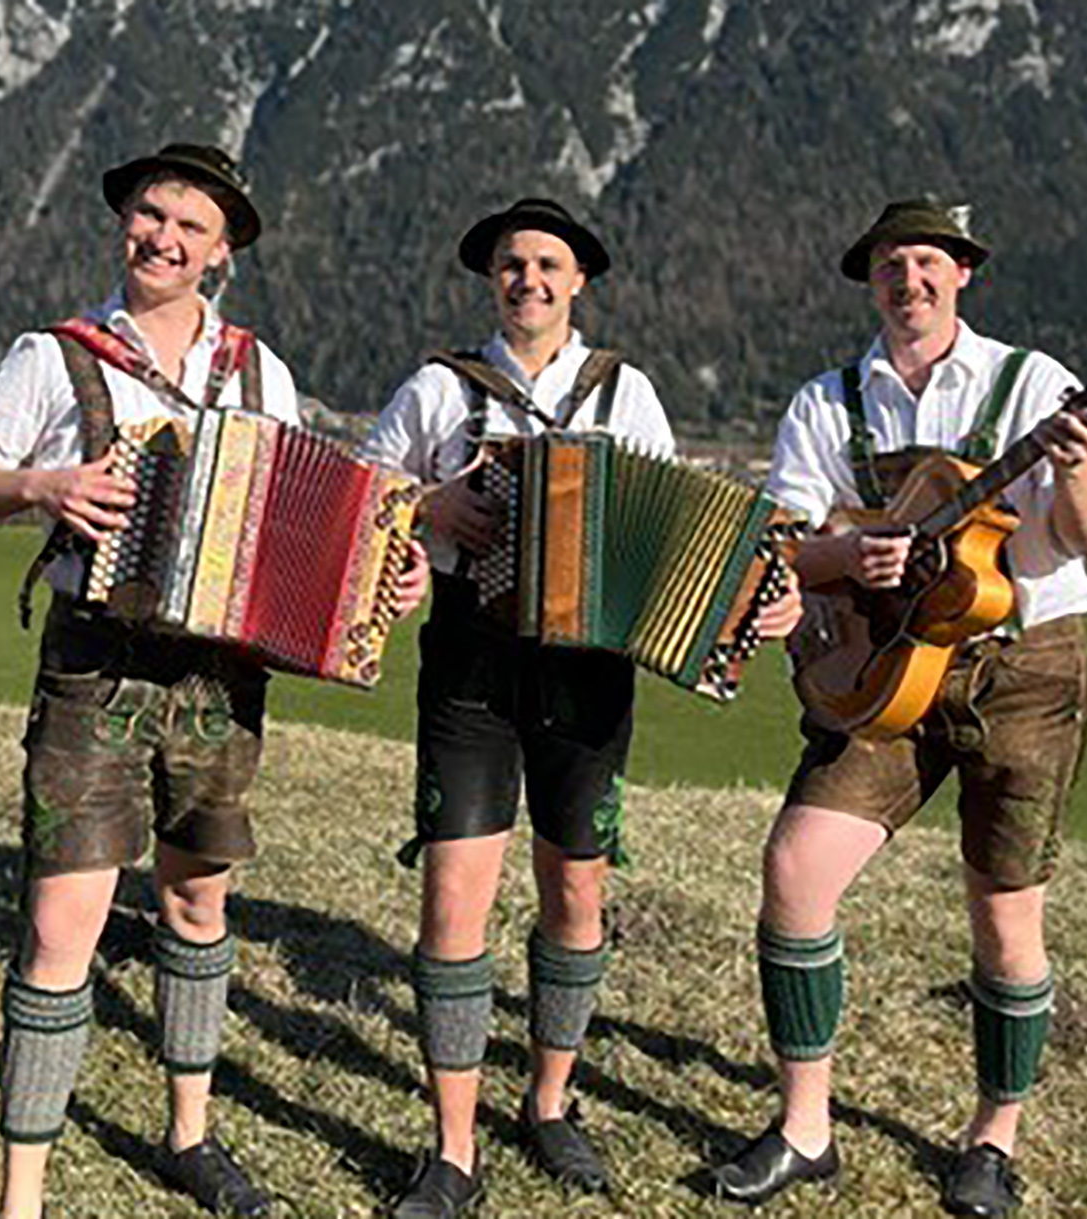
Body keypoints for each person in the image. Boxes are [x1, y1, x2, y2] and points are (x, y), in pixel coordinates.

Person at [0, 143, 427, 1219]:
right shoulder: (54, 354)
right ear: (125, 225)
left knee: (197, 898)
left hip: (218, 677)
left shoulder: (264, 373)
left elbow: (311, 532)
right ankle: (22, 1195)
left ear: (223, 253)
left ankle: (189, 1134)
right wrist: (39, 483)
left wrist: (375, 583)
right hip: (94, 659)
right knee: (63, 920)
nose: (161, 238)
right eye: (149, 216)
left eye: (188, 227)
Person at [363, 198, 800, 1217]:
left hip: (589, 679)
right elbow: (363, 491)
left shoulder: (625, 391)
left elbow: (676, 524)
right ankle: (453, 1145)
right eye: (512, 264)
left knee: (575, 896)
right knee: (452, 901)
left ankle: (549, 1103)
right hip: (470, 672)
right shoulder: (439, 387)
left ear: (577, 282)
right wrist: (426, 506)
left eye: (547, 264)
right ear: (491, 280)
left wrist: (756, 595)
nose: (529, 279)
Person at [710, 198, 1087, 1217]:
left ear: (963, 274)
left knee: (1001, 911)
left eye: (930, 262)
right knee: (796, 865)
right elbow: (786, 547)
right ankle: (806, 1127)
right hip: (885, 668)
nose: (912, 280)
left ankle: (992, 1137)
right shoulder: (826, 401)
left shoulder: (1032, 385)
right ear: (871, 278)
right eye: (894, 264)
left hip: (1021, 665)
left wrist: (1070, 465)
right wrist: (849, 556)